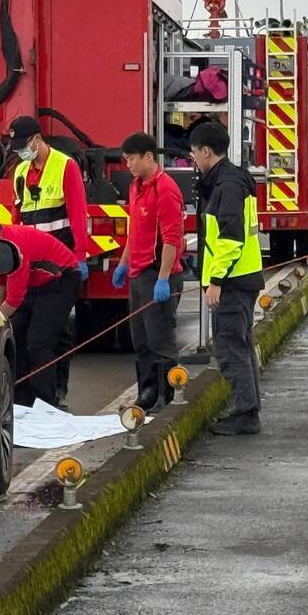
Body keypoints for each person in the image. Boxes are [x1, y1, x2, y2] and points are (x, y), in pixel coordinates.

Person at [7, 116, 89, 408]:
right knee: (23, 334)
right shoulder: (20, 172)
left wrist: (80, 254)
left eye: (24, 145)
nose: (20, 152)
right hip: (29, 264)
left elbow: (78, 212)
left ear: (38, 139)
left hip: (60, 263)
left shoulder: (64, 166)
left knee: (53, 335)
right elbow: (17, 217)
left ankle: (54, 393)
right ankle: (24, 399)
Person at [191, 122, 264, 436]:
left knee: (230, 347)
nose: (193, 158)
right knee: (241, 345)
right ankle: (248, 408)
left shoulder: (227, 186)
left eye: (194, 152)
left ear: (206, 151)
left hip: (232, 281)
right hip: (242, 278)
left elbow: (230, 238)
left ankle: (245, 413)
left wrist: (216, 279)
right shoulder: (229, 179)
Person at [113, 132, 185, 414]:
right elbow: (135, 230)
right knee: (140, 339)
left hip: (158, 274)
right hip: (138, 274)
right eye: (126, 159)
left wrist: (164, 278)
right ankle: (147, 392)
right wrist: (123, 264)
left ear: (148, 157)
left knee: (160, 342)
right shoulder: (135, 187)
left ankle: (168, 399)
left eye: (131, 158)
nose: (128, 164)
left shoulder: (165, 189)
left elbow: (171, 238)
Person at [0, 218, 82, 409]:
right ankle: (21, 401)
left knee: (40, 340)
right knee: (17, 336)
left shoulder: (13, 248)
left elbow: (13, 300)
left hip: (62, 278)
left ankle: (46, 401)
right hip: (37, 282)